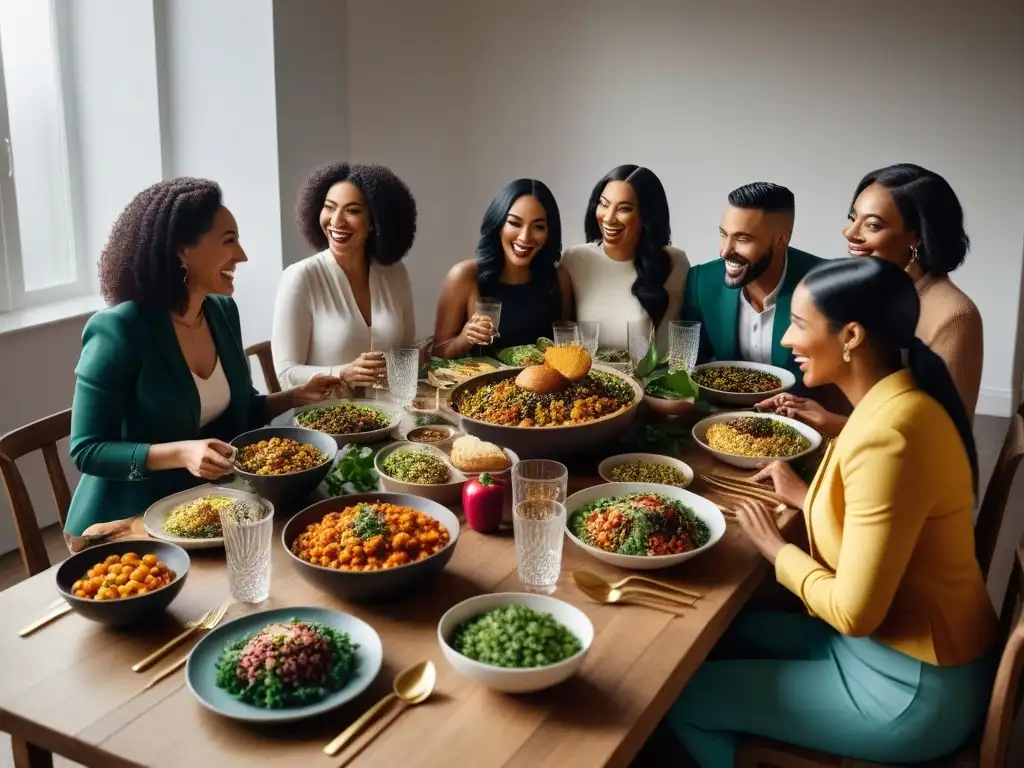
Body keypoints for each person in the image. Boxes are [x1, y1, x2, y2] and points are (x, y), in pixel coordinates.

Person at [668, 257, 998, 768]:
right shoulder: (895, 400)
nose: (785, 341)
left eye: (799, 325)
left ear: (851, 336)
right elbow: (883, 521)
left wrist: (777, 550)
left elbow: (854, 612)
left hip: (910, 686)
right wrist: (803, 494)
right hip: (901, 651)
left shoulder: (890, 435)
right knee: (717, 634)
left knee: (681, 696)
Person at [66, 179, 338, 536]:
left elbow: (236, 412)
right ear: (182, 251)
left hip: (204, 506)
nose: (241, 255)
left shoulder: (222, 312)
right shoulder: (119, 329)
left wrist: (293, 397)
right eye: (229, 241)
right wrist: (181, 453)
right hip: (125, 522)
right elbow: (87, 450)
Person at [760, 163, 982, 431]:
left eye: (873, 225)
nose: (850, 234)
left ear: (917, 237)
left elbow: (943, 434)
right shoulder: (867, 292)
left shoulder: (954, 316)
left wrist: (832, 423)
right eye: (853, 218)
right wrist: (804, 407)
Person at [272, 162, 417, 393]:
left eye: (352, 210)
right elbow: (285, 374)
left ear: (374, 221)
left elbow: (407, 352)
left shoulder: (394, 272)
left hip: (392, 415)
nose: (336, 221)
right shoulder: (300, 277)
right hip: (325, 420)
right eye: (329, 207)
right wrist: (341, 373)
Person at [680, 182, 822, 384]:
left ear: (781, 240)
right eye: (723, 234)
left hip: (800, 414)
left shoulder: (825, 283)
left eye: (743, 239)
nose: (725, 251)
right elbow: (689, 366)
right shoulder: (701, 281)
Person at [432, 179, 572, 357]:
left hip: (544, 383)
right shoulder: (465, 276)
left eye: (538, 227)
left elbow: (569, 351)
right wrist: (464, 339)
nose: (525, 237)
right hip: (483, 383)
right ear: (499, 224)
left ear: (549, 232)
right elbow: (437, 355)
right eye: (515, 223)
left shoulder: (558, 278)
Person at [560, 165, 689, 352]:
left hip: (650, 379)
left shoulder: (675, 262)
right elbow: (564, 342)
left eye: (624, 209)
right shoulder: (575, 260)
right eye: (604, 204)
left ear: (646, 216)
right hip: (590, 378)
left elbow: (673, 347)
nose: (609, 218)